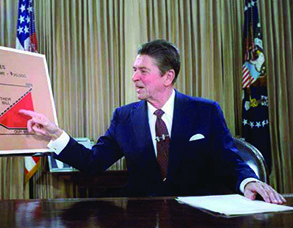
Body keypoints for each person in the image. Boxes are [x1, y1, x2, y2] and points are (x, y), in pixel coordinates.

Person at [19, 39, 285, 204]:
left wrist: (248, 182)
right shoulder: (124, 117)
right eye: (134, 70)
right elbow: (93, 163)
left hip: (198, 225)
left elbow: (229, 160)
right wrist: (56, 135)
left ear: (167, 77)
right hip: (139, 222)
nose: (134, 77)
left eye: (143, 71)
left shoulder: (206, 112)